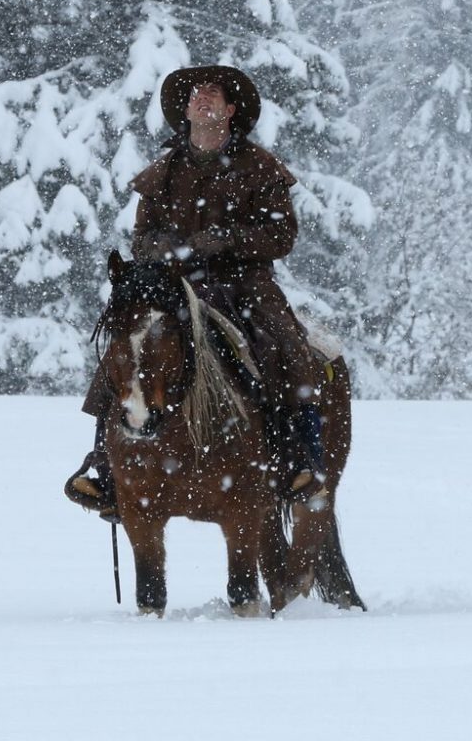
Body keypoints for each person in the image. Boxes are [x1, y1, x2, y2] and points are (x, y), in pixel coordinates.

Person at [66, 65, 327, 518]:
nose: (201, 97)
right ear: (186, 112)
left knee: (285, 347)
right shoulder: (161, 172)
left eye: (213, 93)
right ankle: (104, 468)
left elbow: (281, 237)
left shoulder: (261, 168)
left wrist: (226, 240)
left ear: (230, 111)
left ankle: (299, 460)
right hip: (175, 287)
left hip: (244, 285)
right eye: (194, 94)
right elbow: (141, 238)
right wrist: (166, 250)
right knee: (123, 349)